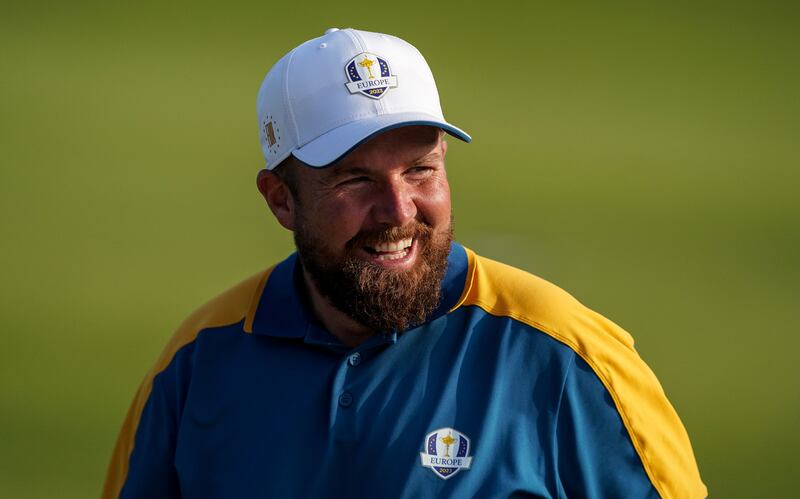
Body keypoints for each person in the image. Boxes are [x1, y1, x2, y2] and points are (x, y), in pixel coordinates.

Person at [102, 28, 706, 498]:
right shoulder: (199, 361)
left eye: (421, 170)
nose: (397, 211)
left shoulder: (566, 357)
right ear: (280, 198)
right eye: (355, 180)